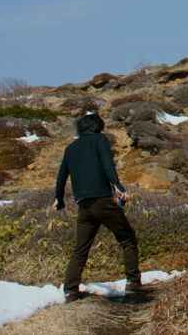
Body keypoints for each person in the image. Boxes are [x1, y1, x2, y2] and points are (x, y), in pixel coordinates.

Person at [53, 114, 149, 302]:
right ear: (98, 127)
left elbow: (61, 175)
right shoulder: (99, 139)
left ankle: (71, 290)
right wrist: (118, 186)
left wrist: (59, 198)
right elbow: (107, 163)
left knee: (80, 249)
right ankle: (133, 283)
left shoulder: (70, 148)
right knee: (127, 239)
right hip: (102, 201)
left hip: (83, 205)